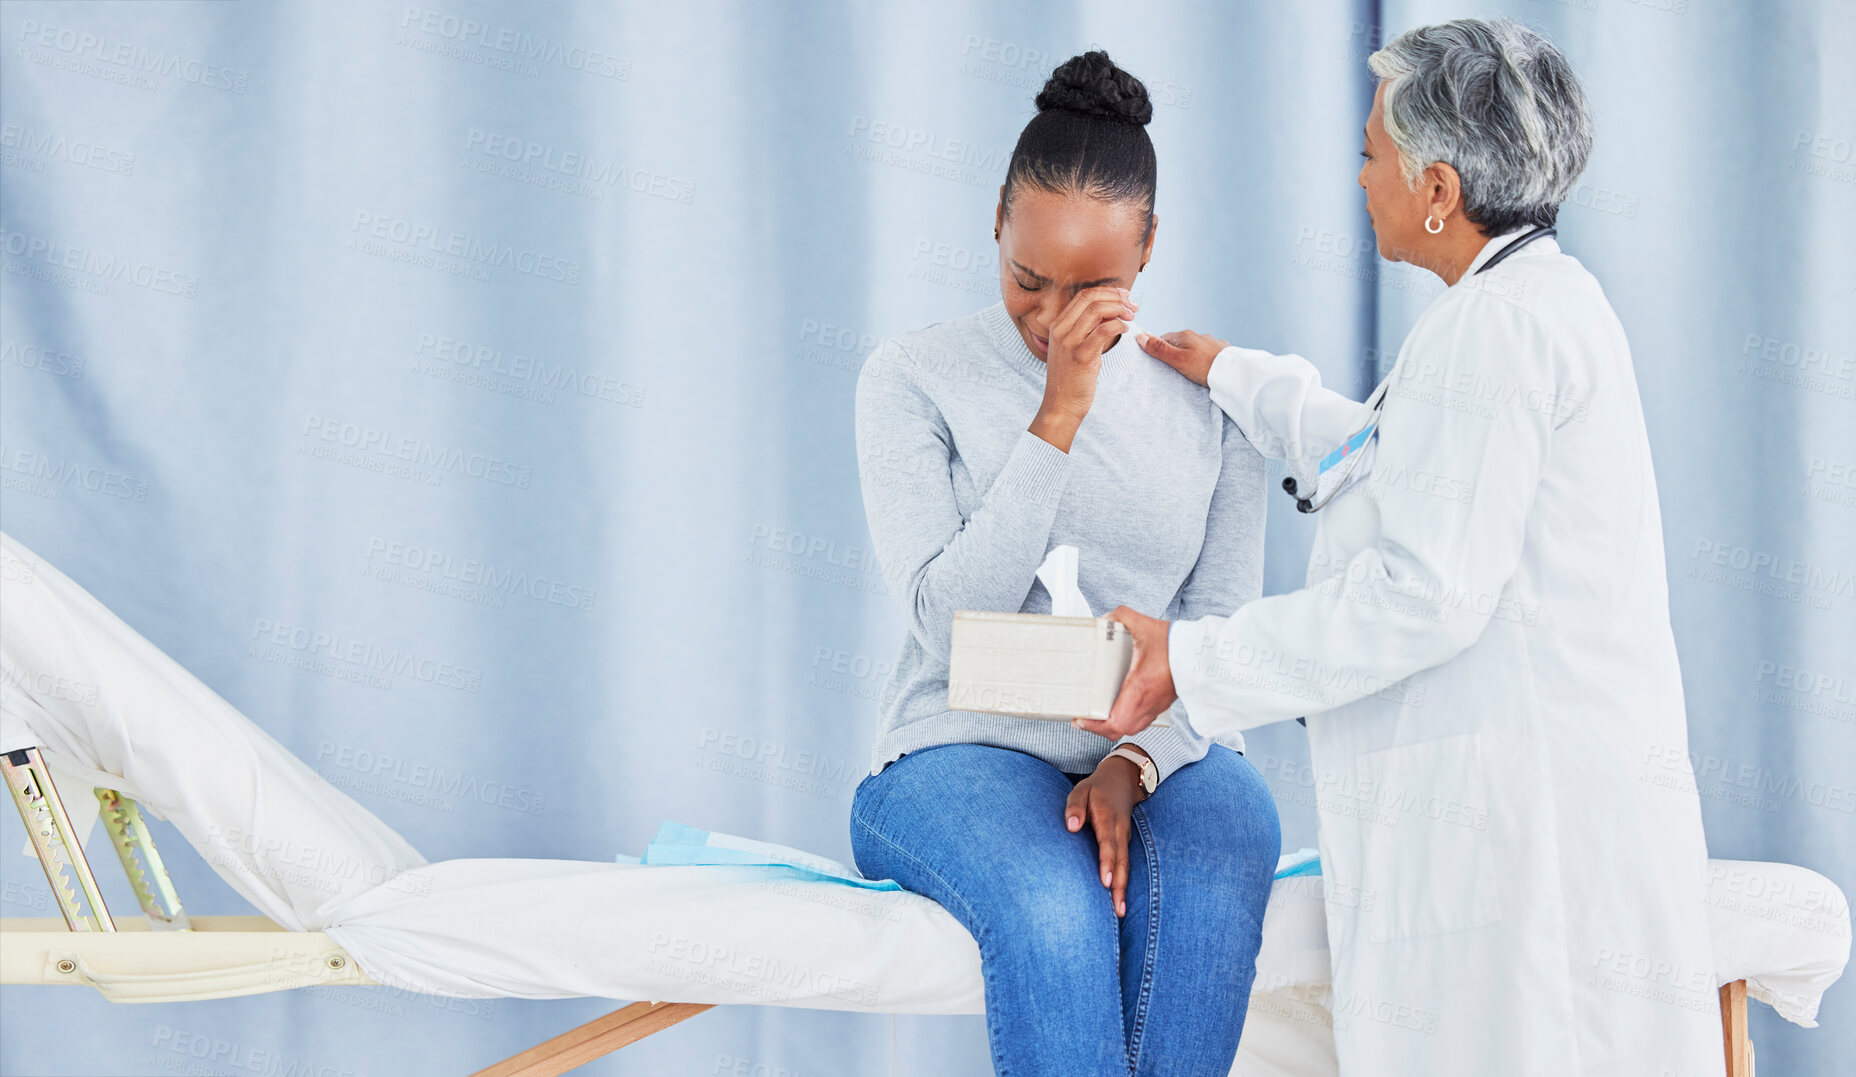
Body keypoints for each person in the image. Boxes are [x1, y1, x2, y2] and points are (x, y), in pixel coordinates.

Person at [1084, 19, 1724, 1077]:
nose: (1357, 176)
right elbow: (1393, 462)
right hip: (1526, 825)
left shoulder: (1496, 330)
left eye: (1372, 155)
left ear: (1436, 188)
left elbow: (1421, 591)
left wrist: (1184, 662)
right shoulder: (1532, 303)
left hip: (1528, 853)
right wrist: (1240, 376)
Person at [849, 51, 1281, 1077]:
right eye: (1026, 280)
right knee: (1053, 910)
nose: (1051, 320)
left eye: (1094, 289)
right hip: (958, 751)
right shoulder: (912, 378)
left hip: (1163, 748)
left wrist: (1136, 761)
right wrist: (1059, 416)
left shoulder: (1212, 404)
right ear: (997, 219)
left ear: (1148, 247)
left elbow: (1219, 635)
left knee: (1224, 851)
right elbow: (945, 629)